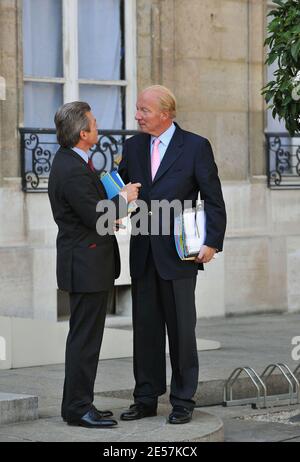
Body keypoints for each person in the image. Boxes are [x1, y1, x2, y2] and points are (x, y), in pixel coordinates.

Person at [118, 85, 226, 424]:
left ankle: (182, 400)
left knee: (181, 330)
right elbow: (120, 192)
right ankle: (146, 397)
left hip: (180, 254)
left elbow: (213, 199)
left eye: (143, 110)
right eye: (138, 110)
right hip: (143, 252)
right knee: (145, 329)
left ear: (165, 113)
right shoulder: (132, 147)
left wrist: (212, 242)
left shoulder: (195, 146)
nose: (137, 116)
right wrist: (117, 197)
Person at [48, 101, 140, 428]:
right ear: (83, 133)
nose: (99, 128)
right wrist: (125, 198)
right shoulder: (70, 167)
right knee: (84, 341)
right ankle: (76, 408)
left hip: (91, 263)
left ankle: (81, 403)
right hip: (84, 266)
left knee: (87, 340)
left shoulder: (76, 161)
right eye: (95, 123)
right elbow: (96, 215)